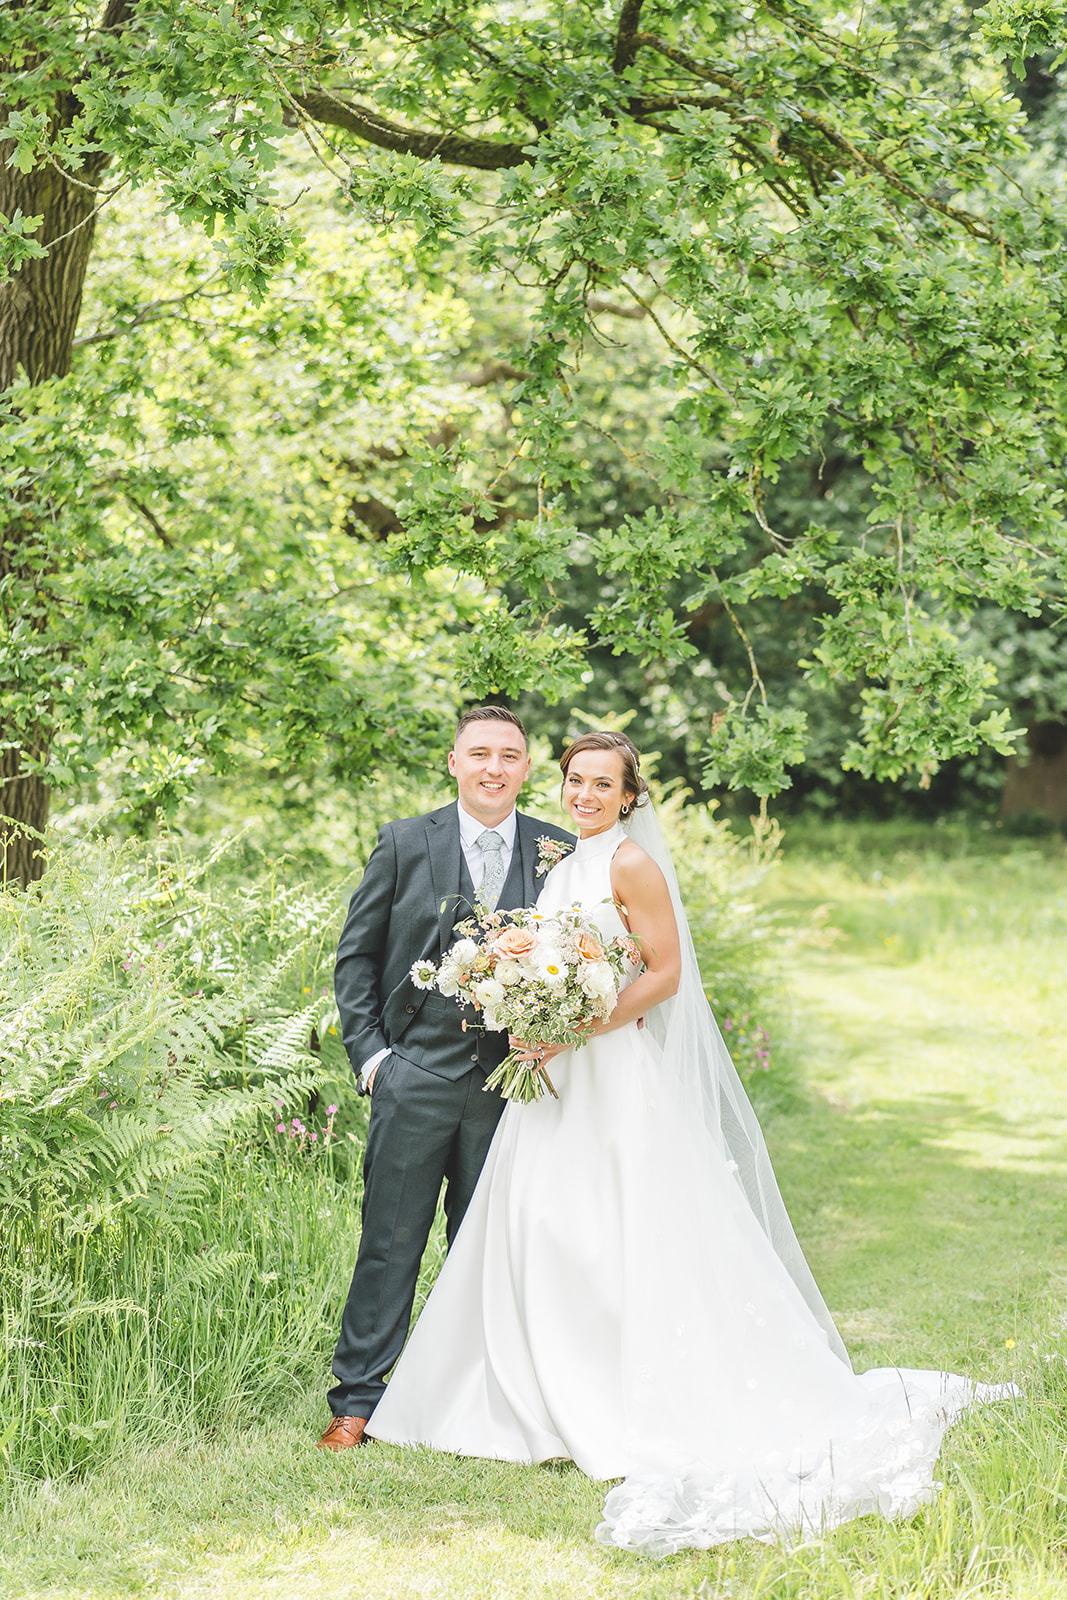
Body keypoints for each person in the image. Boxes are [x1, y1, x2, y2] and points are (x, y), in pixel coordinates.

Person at [366, 730, 1013, 1551]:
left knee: (616, 1232)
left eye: (603, 784)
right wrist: (529, 1009)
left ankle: (610, 1399)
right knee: (541, 1227)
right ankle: (535, 1397)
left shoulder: (630, 863)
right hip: (555, 1075)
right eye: (575, 781)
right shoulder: (562, 862)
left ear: (630, 797)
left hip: (608, 1073)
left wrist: (573, 1027)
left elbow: (663, 973)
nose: (585, 794)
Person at [317, 706, 574, 1451]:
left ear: (528, 769)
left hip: (512, 1089)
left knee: (495, 1246)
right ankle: (357, 1401)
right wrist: (372, 1060)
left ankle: (489, 1399)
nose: (494, 767)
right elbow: (356, 957)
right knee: (390, 1241)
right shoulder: (404, 842)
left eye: (510, 755)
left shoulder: (557, 851)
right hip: (416, 1075)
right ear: (454, 762)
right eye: (480, 753)